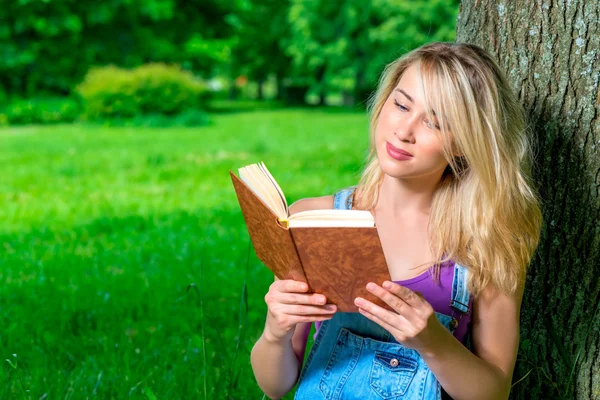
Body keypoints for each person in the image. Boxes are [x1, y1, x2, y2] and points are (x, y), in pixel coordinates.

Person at [250, 42, 542, 400]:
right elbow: (275, 385)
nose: (405, 130)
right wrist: (274, 332)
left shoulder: (487, 243)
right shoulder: (310, 220)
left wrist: (434, 343)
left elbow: (493, 393)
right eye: (401, 104)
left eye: (436, 122)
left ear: (466, 143)